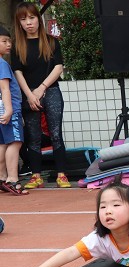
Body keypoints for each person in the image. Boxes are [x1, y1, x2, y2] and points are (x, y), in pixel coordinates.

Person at [12, 2, 69, 190]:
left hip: (51, 91)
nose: (28, 22)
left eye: (32, 17)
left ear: (38, 18)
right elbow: (18, 72)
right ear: (19, 23)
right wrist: (30, 94)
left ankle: (62, 174)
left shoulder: (51, 41)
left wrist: (41, 88)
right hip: (28, 94)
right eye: (23, 19)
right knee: (33, 136)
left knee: (56, 133)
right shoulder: (17, 45)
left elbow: (58, 67)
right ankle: (35, 176)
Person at [0, 26, 27, 196]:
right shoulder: (2, 64)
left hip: (1, 110)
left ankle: (2, 177)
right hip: (9, 110)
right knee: (15, 142)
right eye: (4, 41)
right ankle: (12, 180)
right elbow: (5, 88)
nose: (9, 44)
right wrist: (10, 109)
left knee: (3, 143)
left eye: (9, 41)